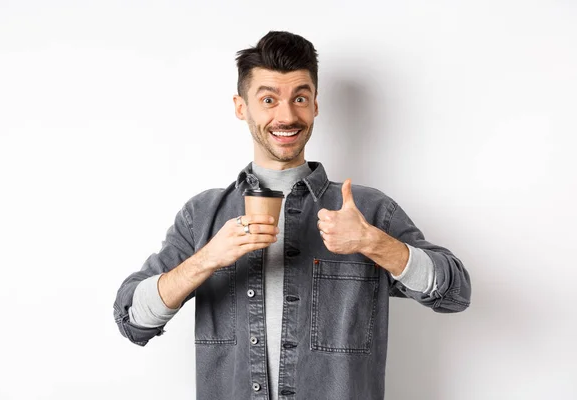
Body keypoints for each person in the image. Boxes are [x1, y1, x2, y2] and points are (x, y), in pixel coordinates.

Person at [113, 31, 471, 400]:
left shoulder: (366, 210)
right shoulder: (203, 215)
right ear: (241, 107)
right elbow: (132, 321)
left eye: (299, 98)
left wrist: (374, 242)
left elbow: (455, 293)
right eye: (268, 99)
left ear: (315, 104)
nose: (286, 115)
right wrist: (208, 258)